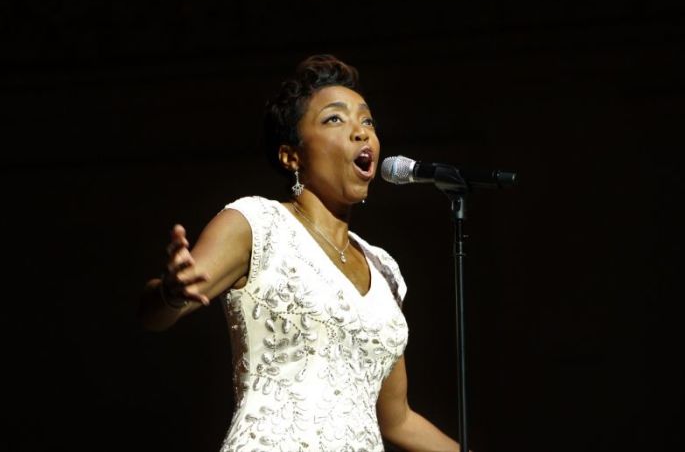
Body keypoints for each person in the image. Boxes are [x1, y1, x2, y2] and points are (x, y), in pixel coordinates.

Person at [139, 55, 460, 452]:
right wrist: (170, 293)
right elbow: (154, 315)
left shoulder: (384, 267)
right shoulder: (257, 223)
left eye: (367, 121)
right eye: (335, 119)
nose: (361, 133)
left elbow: (397, 419)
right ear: (292, 155)